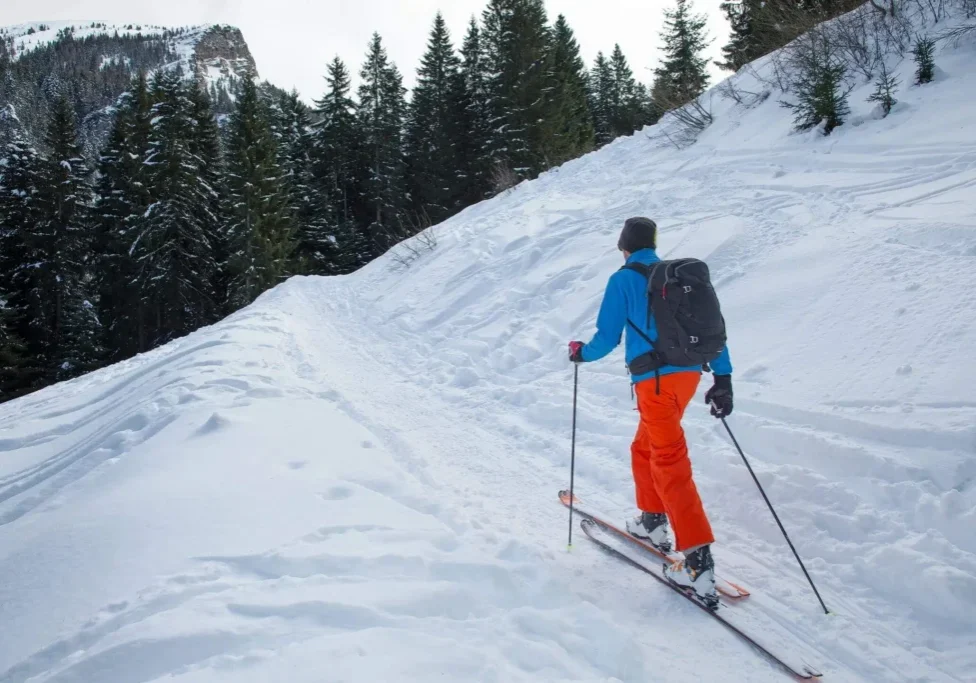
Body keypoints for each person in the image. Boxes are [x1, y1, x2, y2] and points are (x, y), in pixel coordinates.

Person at [568, 216, 733, 608]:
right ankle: (653, 520)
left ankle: (697, 563)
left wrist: (580, 354)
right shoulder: (676, 279)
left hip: (654, 383)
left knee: (669, 461)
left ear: (623, 246)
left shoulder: (623, 279)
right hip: (689, 378)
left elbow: (607, 337)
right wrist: (723, 378)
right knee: (644, 446)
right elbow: (712, 330)